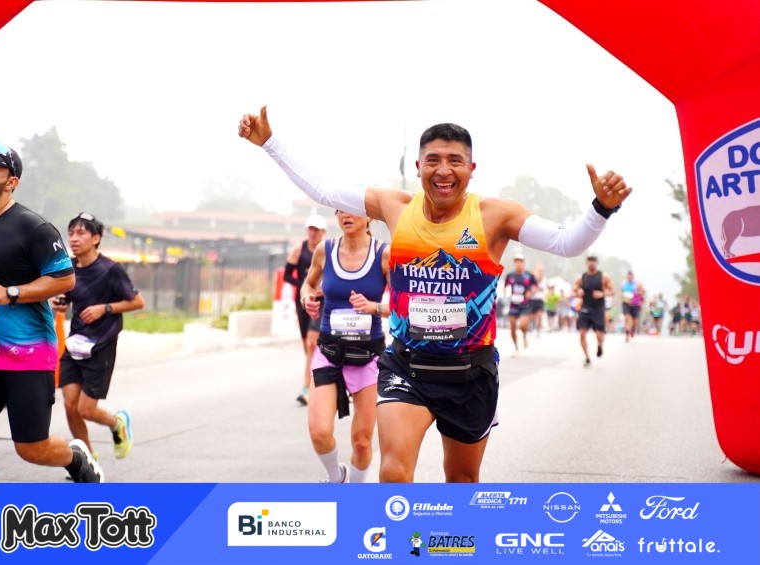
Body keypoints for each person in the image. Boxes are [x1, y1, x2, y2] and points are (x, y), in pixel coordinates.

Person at [238, 106, 631, 482]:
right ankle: (398, 532)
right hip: (407, 365)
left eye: (455, 161)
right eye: (433, 160)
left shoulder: (496, 215)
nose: (444, 171)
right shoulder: (394, 206)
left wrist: (601, 208)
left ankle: (448, 533)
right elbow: (324, 191)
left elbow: (566, 243)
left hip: (469, 372)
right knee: (393, 473)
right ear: (418, 167)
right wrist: (271, 143)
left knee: (461, 480)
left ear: (471, 169)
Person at [0, 140, 103, 483]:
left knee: (31, 448)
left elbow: (64, 278)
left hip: (28, 354)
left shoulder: (33, 228)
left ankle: (76, 458)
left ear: (11, 182)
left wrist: (12, 293)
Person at [299, 210, 390, 483]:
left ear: (369, 216)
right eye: (340, 210)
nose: (345, 216)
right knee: (319, 432)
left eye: (352, 210)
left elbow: (403, 304)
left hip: (368, 356)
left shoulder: (383, 254)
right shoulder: (324, 250)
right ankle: (335, 476)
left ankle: (356, 493)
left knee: (362, 441)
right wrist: (307, 298)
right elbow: (308, 284)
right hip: (329, 351)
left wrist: (374, 307)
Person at [51, 212, 145, 463]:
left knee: (86, 409)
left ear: (96, 238)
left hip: (101, 344)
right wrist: (60, 304)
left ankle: (117, 423)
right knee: (69, 405)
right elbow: (65, 298)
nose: (74, 238)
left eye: (81, 233)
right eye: (71, 233)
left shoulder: (111, 269)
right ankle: (88, 459)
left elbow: (137, 302)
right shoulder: (69, 268)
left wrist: (105, 308)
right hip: (75, 344)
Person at [284, 214, 328, 405]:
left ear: (323, 231)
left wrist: (323, 288)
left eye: (316, 229)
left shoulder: (327, 250)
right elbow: (287, 275)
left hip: (321, 301)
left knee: (312, 342)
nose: (312, 232)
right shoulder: (298, 249)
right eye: (310, 229)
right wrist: (305, 286)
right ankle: (315, 371)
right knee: (306, 343)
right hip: (302, 300)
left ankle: (307, 388)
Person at [572, 255, 614, 367]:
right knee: (582, 334)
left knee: (599, 335)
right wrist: (578, 292)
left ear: (597, 263)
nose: (591, 263)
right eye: (589, 261)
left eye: (594, 261)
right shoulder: (581, 277)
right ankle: (587, 358)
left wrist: (602, 293)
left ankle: (600, 345)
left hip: (598, 308)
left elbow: (612, 291)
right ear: (586, 263)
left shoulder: (603, 276)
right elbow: (574, 291)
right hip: (585, 307)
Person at [503, 253, 538, 356]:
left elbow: (536, 286)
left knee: (523, 325)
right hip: (513, 304)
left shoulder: (529, 275)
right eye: (516, 262)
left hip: (525, 305)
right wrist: (505, 292)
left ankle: (525, 334)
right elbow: (505, 287)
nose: (518, 264)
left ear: (523, 263)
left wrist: (531, 292)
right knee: (512, 327)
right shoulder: (510, 275)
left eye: (520, 262)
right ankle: (516, 348)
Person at [620, 271, 641, 342]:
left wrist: (636, 293)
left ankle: (632, 329)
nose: (629, 278)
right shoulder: (623, 283)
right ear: (627, 277)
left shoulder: (636, 284)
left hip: (634, 304)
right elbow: (621, 291)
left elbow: (641, 292)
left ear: (633, 277)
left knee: (634, 320)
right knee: (627, 318)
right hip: (625, 303)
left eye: (631, 277)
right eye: (628, 276)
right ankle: (627, 334)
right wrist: (622, 295)